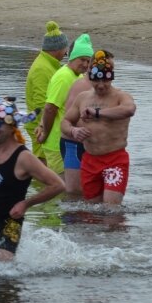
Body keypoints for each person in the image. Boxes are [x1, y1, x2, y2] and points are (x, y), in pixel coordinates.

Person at [0, 98, 65, 261]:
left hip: (11, 222)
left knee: (2, 271)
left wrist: (26, 204)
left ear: (12, 126)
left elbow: (58, 185)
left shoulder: (24, 158)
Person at [61, 50, 136, 204]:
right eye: (96, 81)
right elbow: (65, 122)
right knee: (92, 212)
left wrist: (97, 113)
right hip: (89, 160)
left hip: (115, 159)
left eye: (105, 81)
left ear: (111, 76)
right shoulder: (83, 97)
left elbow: (129, 110)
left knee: (110, 209)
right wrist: (73, 131)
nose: (101, 86)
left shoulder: (121, 96)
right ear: (90, 76)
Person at [36, 33, 93, 178]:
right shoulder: (63, 77)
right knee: (59, 188)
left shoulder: (78, 76)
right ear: (72, 57)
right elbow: (50, 108)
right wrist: (45, 133)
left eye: (88, 61)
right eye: (82, 60)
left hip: (71, 142)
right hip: (56, 143)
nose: (85, 65)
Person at [60, 50, 114, 195]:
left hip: (92, 146)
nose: (110, 71)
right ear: (93, 66)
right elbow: (68, 117)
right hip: (73, 144)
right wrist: (77, 130)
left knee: (93, 192)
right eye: (108, 67)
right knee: (74, 192)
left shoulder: (106, 89)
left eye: (112, 69)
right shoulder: (81, 86)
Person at [24, 21, 70, 165]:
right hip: (40, 127)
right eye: (65, 49)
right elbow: (40, 104)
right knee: (44, 169)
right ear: (56, 49)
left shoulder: (49, 64)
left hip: (48, 125)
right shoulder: (42, 69)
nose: (66, 53)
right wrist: (43, 130)